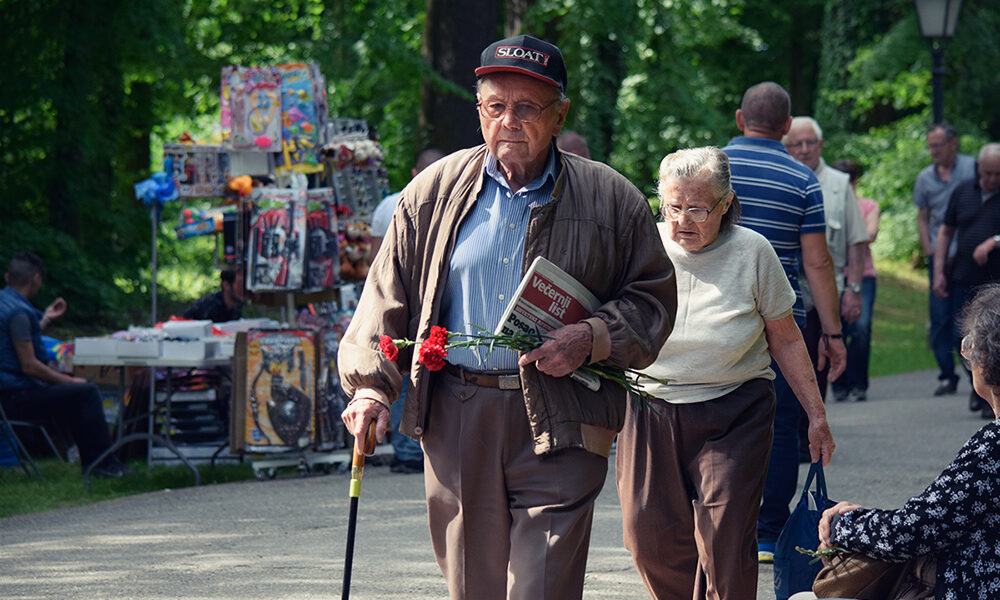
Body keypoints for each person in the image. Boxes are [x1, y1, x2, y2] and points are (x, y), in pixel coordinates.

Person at [338, 34, 677, 600]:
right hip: (458, 412)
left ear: (560, 114)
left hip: (563, 413)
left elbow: (653, 300)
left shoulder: (610, 197)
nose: (509, 121)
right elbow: (385, 297)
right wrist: (371, 388)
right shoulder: (434, 191)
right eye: (495, 106)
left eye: (527, 108)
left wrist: (590, 338)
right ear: (479, 111)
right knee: (473, 586)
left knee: (540, 587)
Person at [616, 147, 835, 600]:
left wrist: (816, 414)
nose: (683, 220)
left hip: (734, 408)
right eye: (673, 207)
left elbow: (787, 338)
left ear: (726, 203)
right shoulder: (642, 247)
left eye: (697, 209)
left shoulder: (752, 251)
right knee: (647, 535)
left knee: (726, 536)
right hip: (650, 406)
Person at [722, 82, 845, 564]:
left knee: (714, 414)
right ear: (788, 127)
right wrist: (832, 335)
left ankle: (714, 520)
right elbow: (817, 263)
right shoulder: (802, 180)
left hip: (715, 315)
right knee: (777, 421)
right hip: (780, 322)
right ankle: (769, 531)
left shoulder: (712, 169)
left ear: (739, 119)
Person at [814, 283, 1000, 600]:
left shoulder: (991, 448)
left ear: (983, 357)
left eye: (968, 347)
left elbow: (910, 531)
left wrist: (843, 523)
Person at [0, 252, 128, 478]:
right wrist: (70, 380)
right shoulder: (19, 313)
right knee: (85, 392)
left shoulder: (5, 304)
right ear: (36, 279)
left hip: (7, 393)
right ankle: (102, 466)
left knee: (76, 393)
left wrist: (47, 318)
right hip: (14, 397)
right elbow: (29, 365)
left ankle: (94, 461)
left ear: (7, 277)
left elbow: (16, 342)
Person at [369, 147, 445, 474]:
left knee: (398, 369)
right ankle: (422, 443)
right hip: (430, 299)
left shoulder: (388, 205)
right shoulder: (449, 206)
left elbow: (374, 262)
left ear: (414, 172)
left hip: (395, 296)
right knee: (428, 369)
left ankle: (404, 449)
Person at [783, 117, 868, 398]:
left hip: (824, 295)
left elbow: (857, 241)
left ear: (820, 144)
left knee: (817, 373)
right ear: (786, 145)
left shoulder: (839, 184)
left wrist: (853, 290)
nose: (805, 149)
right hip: (785, 296)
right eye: (797, 144)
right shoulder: (781, 179)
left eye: (811, 143)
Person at [933, 142, 1000, 418]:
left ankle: (991, 397)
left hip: (996, 285)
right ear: (978, 170)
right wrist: (938, 270)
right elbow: (946, 231)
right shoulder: (963, 192)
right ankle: (979, 388)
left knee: (994, 340)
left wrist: (994, 241)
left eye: (998, 174)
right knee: (960, 337)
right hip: (964, 279)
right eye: (987, 174)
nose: (993, 179)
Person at [914, 123, 976, 397]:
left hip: (967, 257)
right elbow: (923, 216)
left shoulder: (973, 168)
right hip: (939, 255)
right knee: (939, 317)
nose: (933, 151)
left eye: (938, 145)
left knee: (965, 317)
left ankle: (976, 377)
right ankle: (946, 374)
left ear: (953, 143)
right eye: (930, 146)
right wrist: (928, 249)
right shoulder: (925, 178)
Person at [830, 158, 880, 403]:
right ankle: (840, 384)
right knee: (835, 328)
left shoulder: (867, 206)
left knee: (861, 328)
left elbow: (869, 234)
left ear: (855, 182)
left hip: (863, 276)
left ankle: (859, 384)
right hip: (834, 274)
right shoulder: (827, 204)